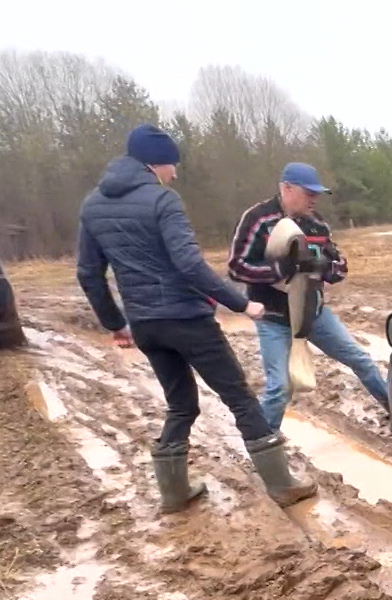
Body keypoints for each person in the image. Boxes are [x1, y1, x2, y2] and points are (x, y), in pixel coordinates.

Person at [76, 123, 317, 513]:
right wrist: (241, 305)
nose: (175, 173)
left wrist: (115, 323)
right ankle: (282, 485)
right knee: (240, 398)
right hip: (186, 318)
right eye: (172, 165)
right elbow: (188, 265)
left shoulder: (92, 205)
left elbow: (88, 273)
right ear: (156, 164)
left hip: (145, 324)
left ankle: (174, 492)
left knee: (181, 404)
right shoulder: (162, 201)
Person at [227, 163, 391, 430]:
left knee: (361, 361)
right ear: (287, 188)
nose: (314, 199)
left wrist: (326, 267)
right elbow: (236, 267)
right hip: (273, 318)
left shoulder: (317, 224)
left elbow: (339, 268)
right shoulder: (258, 219)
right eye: (309, 192)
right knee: (279, 387)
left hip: (314, 313)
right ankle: (264, 445)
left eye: (317, 193)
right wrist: (281, 270)